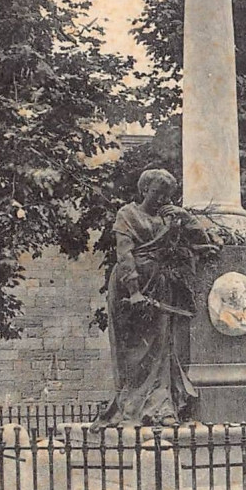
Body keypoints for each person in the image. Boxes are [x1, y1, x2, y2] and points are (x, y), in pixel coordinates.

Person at [98, 169, 219, 426]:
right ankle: (132, 407)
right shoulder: (127, 214)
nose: (162, 199)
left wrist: (185, 217)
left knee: (162, 348)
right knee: (136, 352)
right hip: (131, 291)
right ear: (144, 191)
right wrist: (134, 292)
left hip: (160, 287)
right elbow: (124, 256)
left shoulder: (169, 218)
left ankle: (161, 408)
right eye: (157, 193)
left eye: (167, 195)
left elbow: (200, 239)